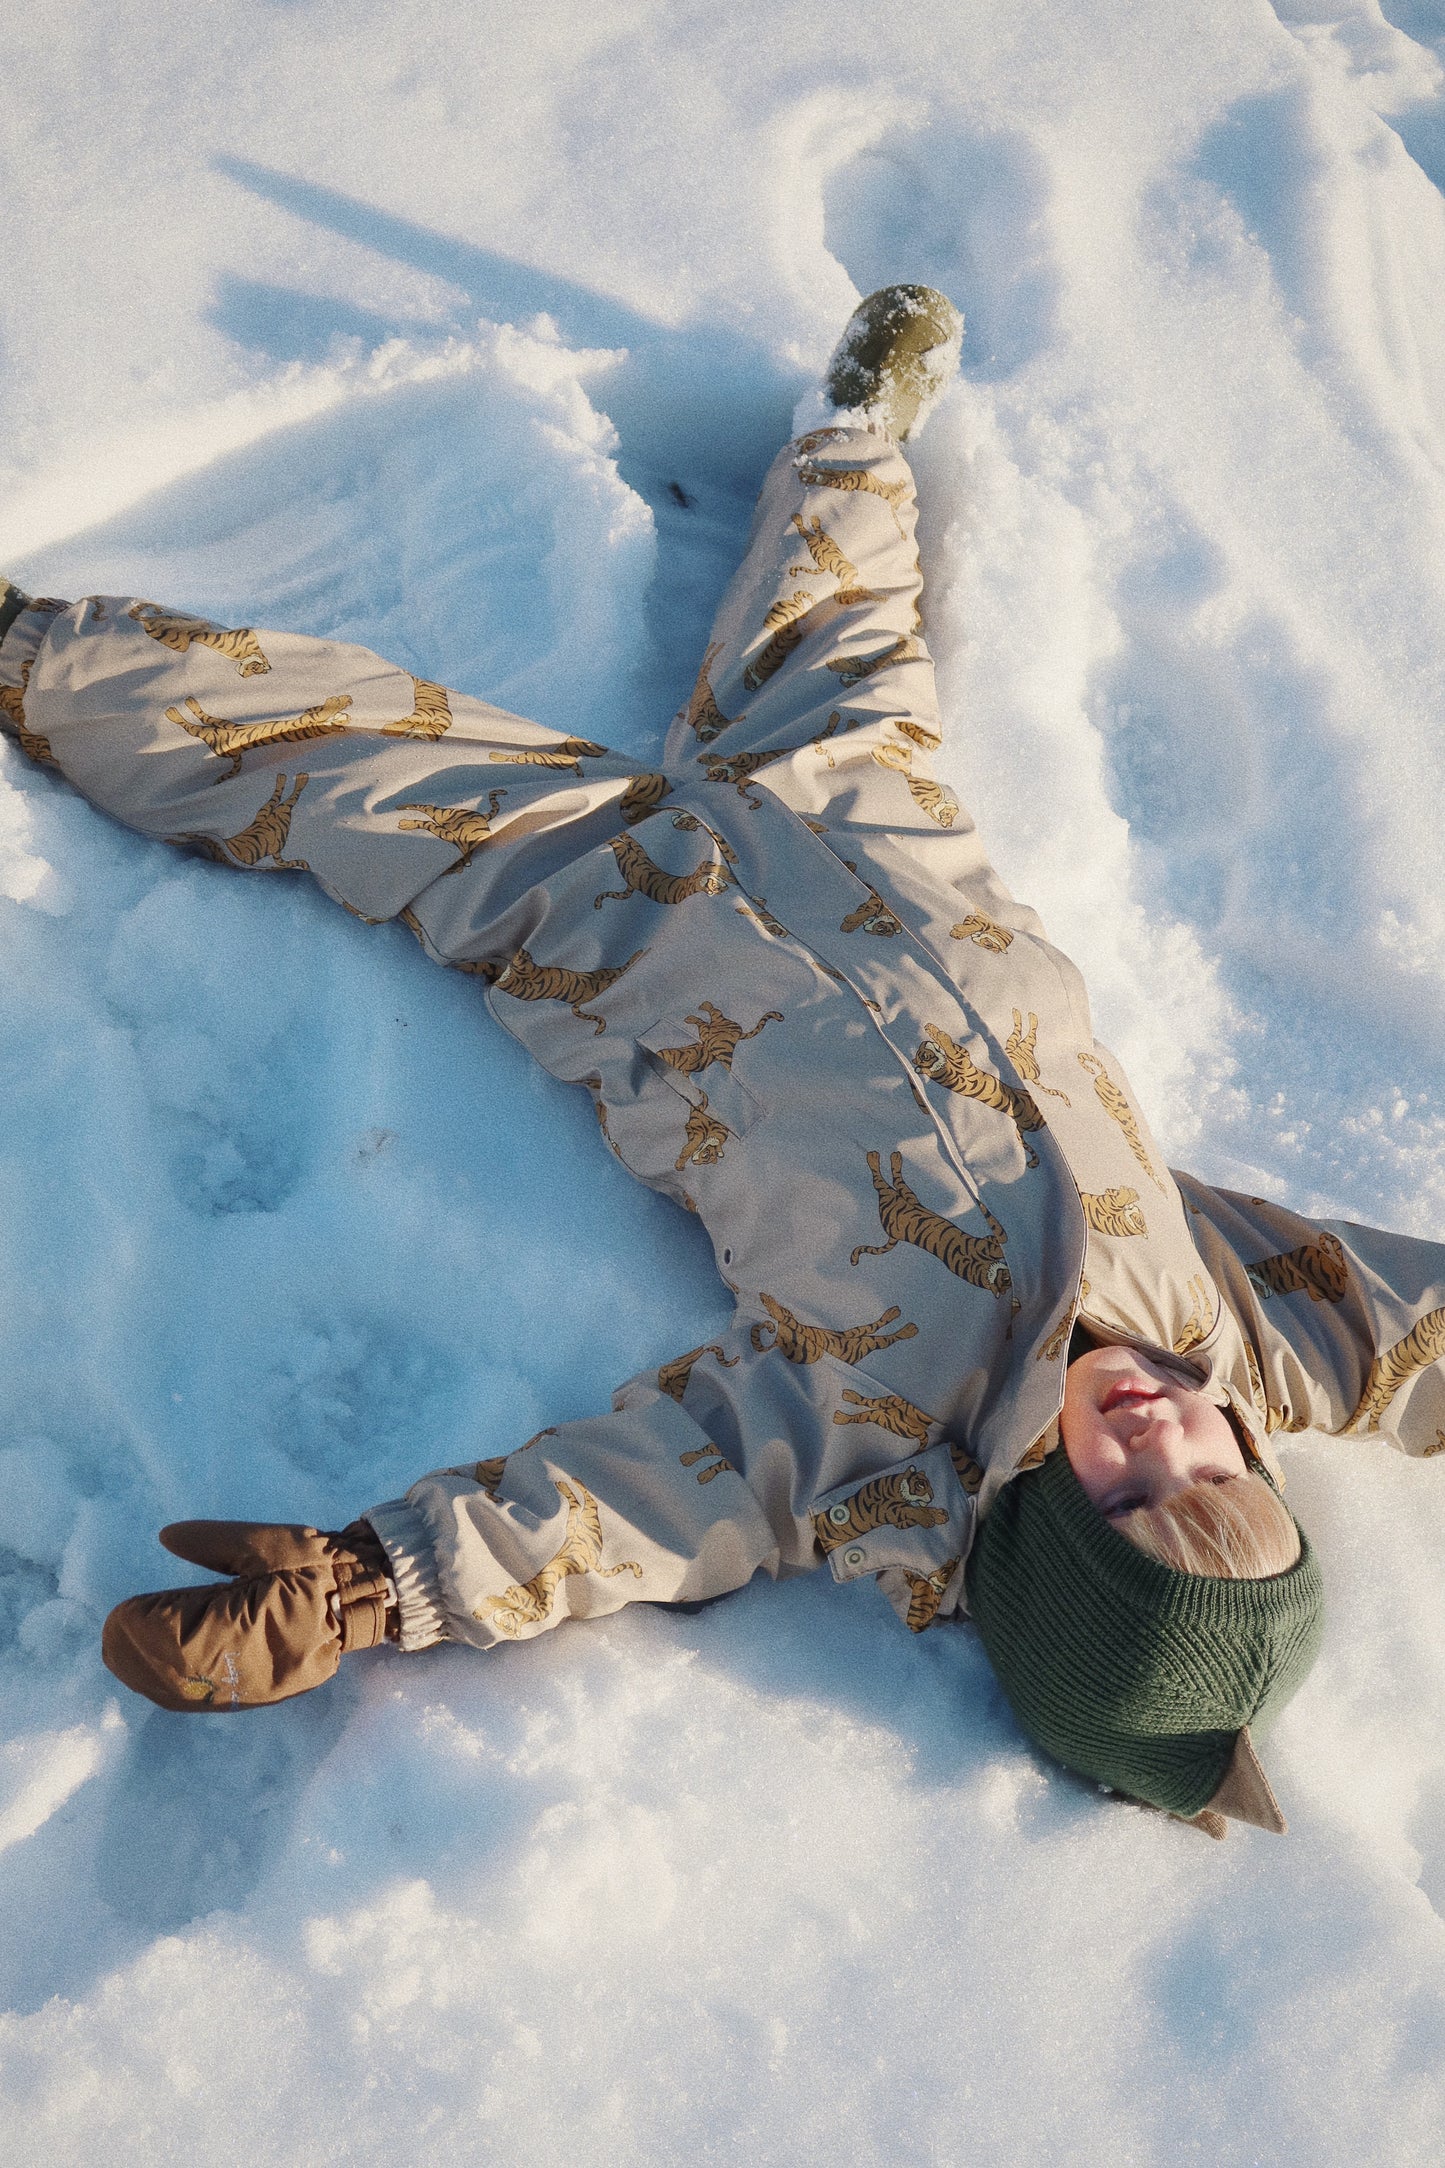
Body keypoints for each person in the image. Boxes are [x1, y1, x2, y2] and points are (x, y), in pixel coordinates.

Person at [4, 287, 1440, 1840]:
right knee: (839, 614)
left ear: (1039, 1543)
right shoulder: (1229, 1322)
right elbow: (1412, 1333)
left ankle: (29, 661)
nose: (1161, 1436)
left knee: (332, 759)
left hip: (598, 903)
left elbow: (620, 1510)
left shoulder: (873, 1443)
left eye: (1126, 1501)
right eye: (1212, 1470)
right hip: (869, 819)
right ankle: (852, 435)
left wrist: (365, 1592)